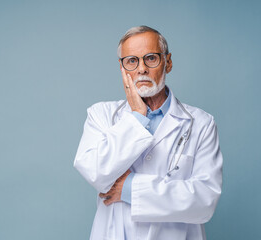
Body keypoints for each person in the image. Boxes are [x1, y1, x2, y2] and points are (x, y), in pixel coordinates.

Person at [74, 26, 223, 240]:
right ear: (122, 67)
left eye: (151, 58)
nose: (142, 68)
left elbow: (205, 201)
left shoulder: (201, 123)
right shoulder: (101, 115)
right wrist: (136, 117)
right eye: (132, 61)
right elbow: (96, 173)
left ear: (168, 62)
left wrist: (129, 187)